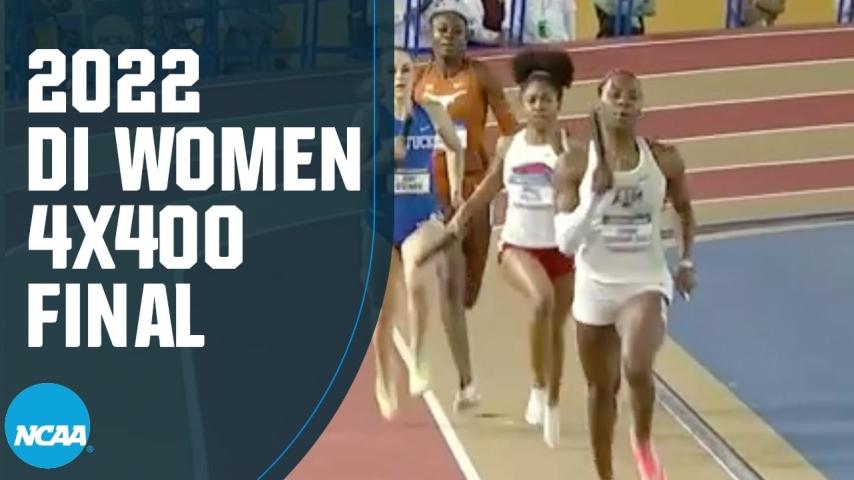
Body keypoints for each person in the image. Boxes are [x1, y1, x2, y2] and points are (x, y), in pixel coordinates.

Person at [552, 70, 697, 480]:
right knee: (602, 389)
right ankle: (605, 474)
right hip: (595, 286)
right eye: (615, 95)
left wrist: (686, 261)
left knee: (636, 365)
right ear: (599, 100)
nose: (623, 103)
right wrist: (594, 199)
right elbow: (566, 242)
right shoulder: (575, 164)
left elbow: (684, 211)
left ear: (641, 106)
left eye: (632, 96)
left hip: (645, 282)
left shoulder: (664, 159)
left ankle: (643, 441)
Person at [444, 49, 579, 447]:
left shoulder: (571, 151)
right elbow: (490, 187)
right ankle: (538, 391)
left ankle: (547, 389)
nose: (539, 107)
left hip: (561, 251)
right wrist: (462, 217)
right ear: (522, 104)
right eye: (532, 100)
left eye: (547, 100)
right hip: (518, 246)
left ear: (558, 104)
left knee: (554, 328)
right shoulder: (510, 146)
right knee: (541, 301)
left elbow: (589, 200)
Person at [413, 0, 519, 410]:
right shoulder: (418, 80)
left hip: (472, 192)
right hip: (432, 194)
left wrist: (501, 164)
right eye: (442, 31)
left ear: (466, 36)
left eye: (457, 32)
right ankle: (466, 383)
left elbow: (511, 132)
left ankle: (460, 310)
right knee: (449, 284)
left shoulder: (481, 77)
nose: (449, 39)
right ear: (430, 36)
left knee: (468, 293)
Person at [361, 48, 466, 420]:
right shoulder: (369, 119)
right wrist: (384, 158)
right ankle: (384, 377)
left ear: (414, 75)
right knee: (382, 312)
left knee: (417, 269)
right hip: (380, 220)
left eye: (405, 70)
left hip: (421, 217)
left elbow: (455, 147)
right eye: (391, 71)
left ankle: (420, 354)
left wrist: (456, 188)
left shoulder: (431, 113)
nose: (399, 77)